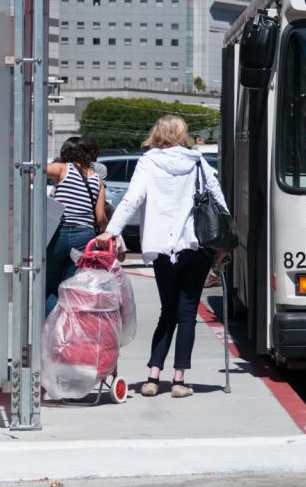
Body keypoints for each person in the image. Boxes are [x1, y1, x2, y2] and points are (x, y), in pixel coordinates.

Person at [96, 115, 230, 398]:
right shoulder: (196, 162)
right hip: (195, 246)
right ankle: (179, 379)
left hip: (161, 248)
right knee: (188, 313)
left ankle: (153, 376)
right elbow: (218, 200)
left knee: (167, 312)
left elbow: (132, 199)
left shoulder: (149, 162)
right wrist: (224, 243)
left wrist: (111, 231)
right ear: (182, 134)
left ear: (156, 134)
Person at [46, 138, 108, 313]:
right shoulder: (97, 179)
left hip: (61, 232)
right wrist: (107, 233)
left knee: (49, 285)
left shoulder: (62, 168)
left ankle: (52, 327)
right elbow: (100, 216)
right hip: (85, 236)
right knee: (71, 286)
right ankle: (68, 328)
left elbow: (34, 170)